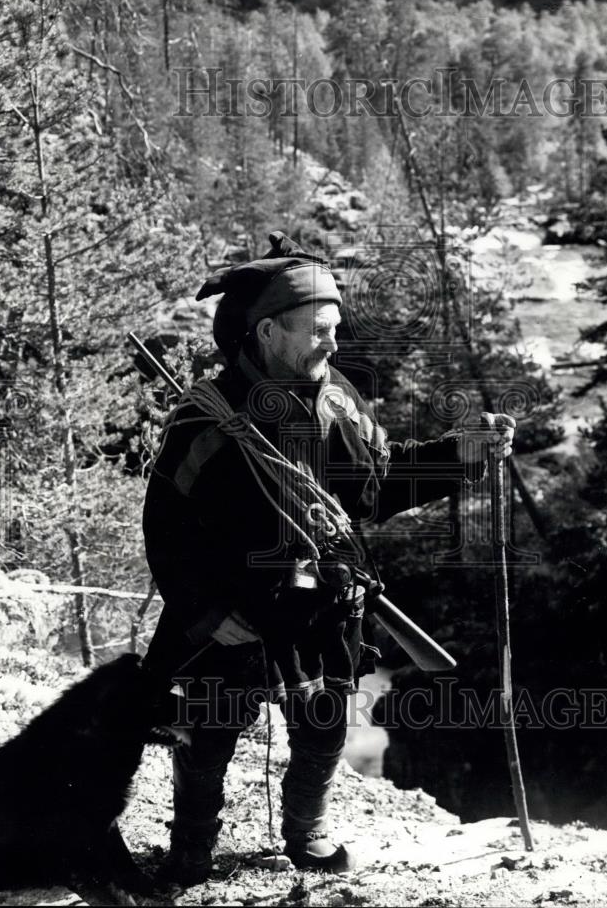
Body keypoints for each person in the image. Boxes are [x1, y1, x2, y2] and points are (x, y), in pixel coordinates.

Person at [142, 232, 515, 884]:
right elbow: (166, 529)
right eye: (318, 329)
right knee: (209, 729)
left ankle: (306, 833)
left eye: (334, 329)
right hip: (230, 608)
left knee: (321, 727)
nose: (333, 343)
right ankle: (191, 846)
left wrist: (467, 453)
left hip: (321, 604)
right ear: (265, 333)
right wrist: (202, 611)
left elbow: (379, 485)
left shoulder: (337, 399)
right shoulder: (203, 421)